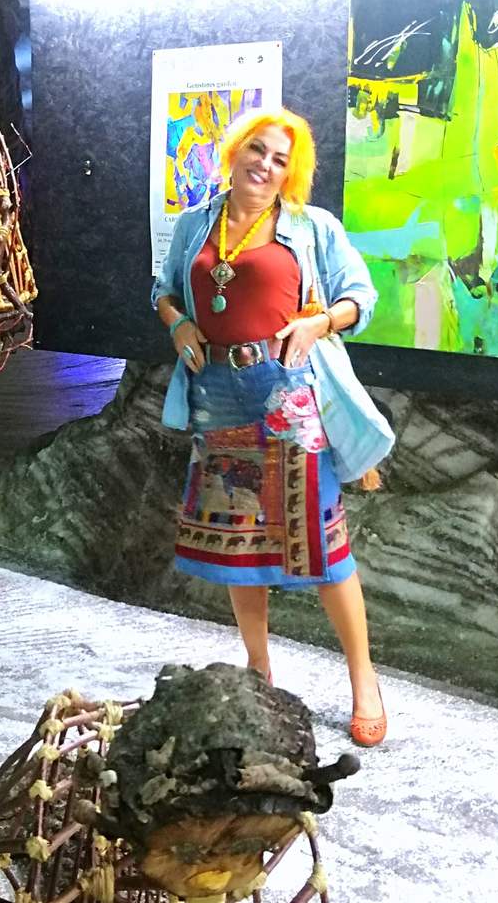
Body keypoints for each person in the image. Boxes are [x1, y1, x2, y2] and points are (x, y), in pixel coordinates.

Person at [152, 107, 389, 747]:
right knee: (241, 546)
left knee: (324, 547)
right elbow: (163, 290)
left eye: (281, 159)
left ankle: (364, 680)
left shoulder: (312, 227)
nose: (265, 164)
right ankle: (258, 670)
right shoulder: (195, 224)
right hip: (216, 397)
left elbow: (361, 296)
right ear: (236, 150)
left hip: (288, 398)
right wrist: (178, 323)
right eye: (257, 149)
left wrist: (320, 323)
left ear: (292, 172)